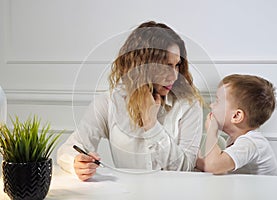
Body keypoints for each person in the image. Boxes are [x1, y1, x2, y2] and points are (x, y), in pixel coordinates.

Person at [57, 21, 205, 181]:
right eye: (166, 66)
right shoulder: (109, 103)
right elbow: (68, 149)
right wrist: (77, 163)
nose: (174, 76)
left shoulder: (188, 104)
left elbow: (186, 167)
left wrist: (151, 124)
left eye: (177, 65)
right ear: (142, 66)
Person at [196, 74, 277, 175]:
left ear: (236, 116)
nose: (211, 105)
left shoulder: (251, 143)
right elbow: (218, 167)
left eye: (217, 101)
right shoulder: (235, 140)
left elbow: (214, 166)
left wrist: (211, 131)